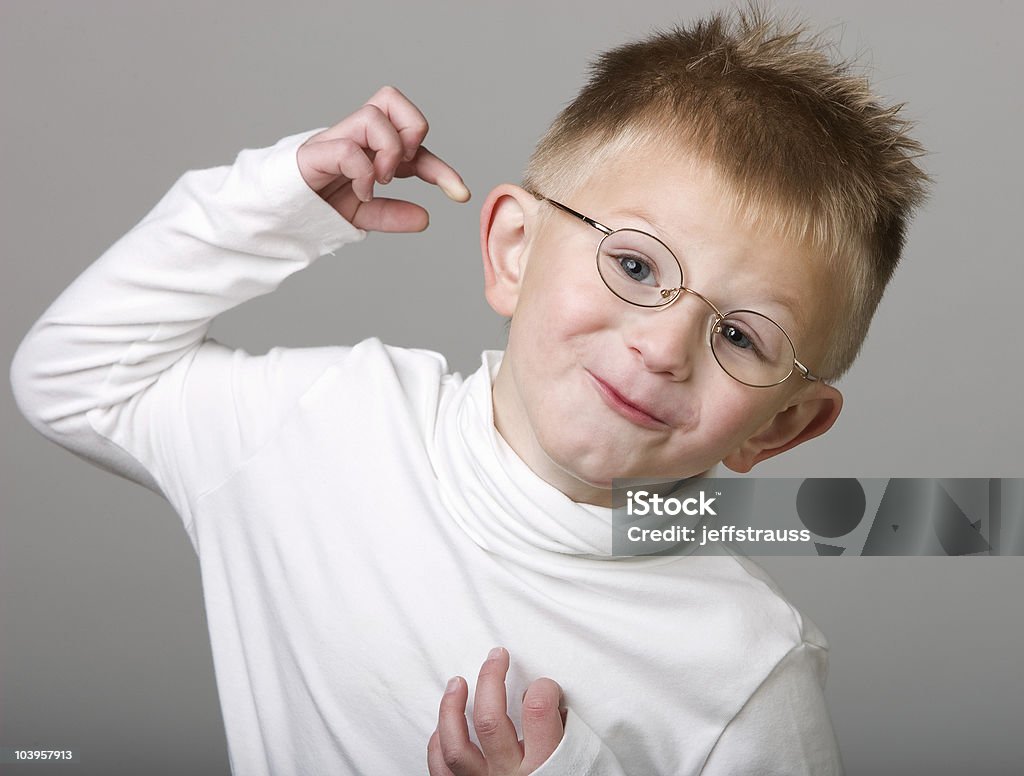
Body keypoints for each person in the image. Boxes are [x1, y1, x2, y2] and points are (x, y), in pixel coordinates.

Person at [8, 7, 928, 775]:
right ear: (513, 252)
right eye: (637, 265)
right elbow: (74, 380)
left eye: (737, 335)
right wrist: (276, 204)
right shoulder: (323, 425)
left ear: (782, 424)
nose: (661, 346)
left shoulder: (743, 669)